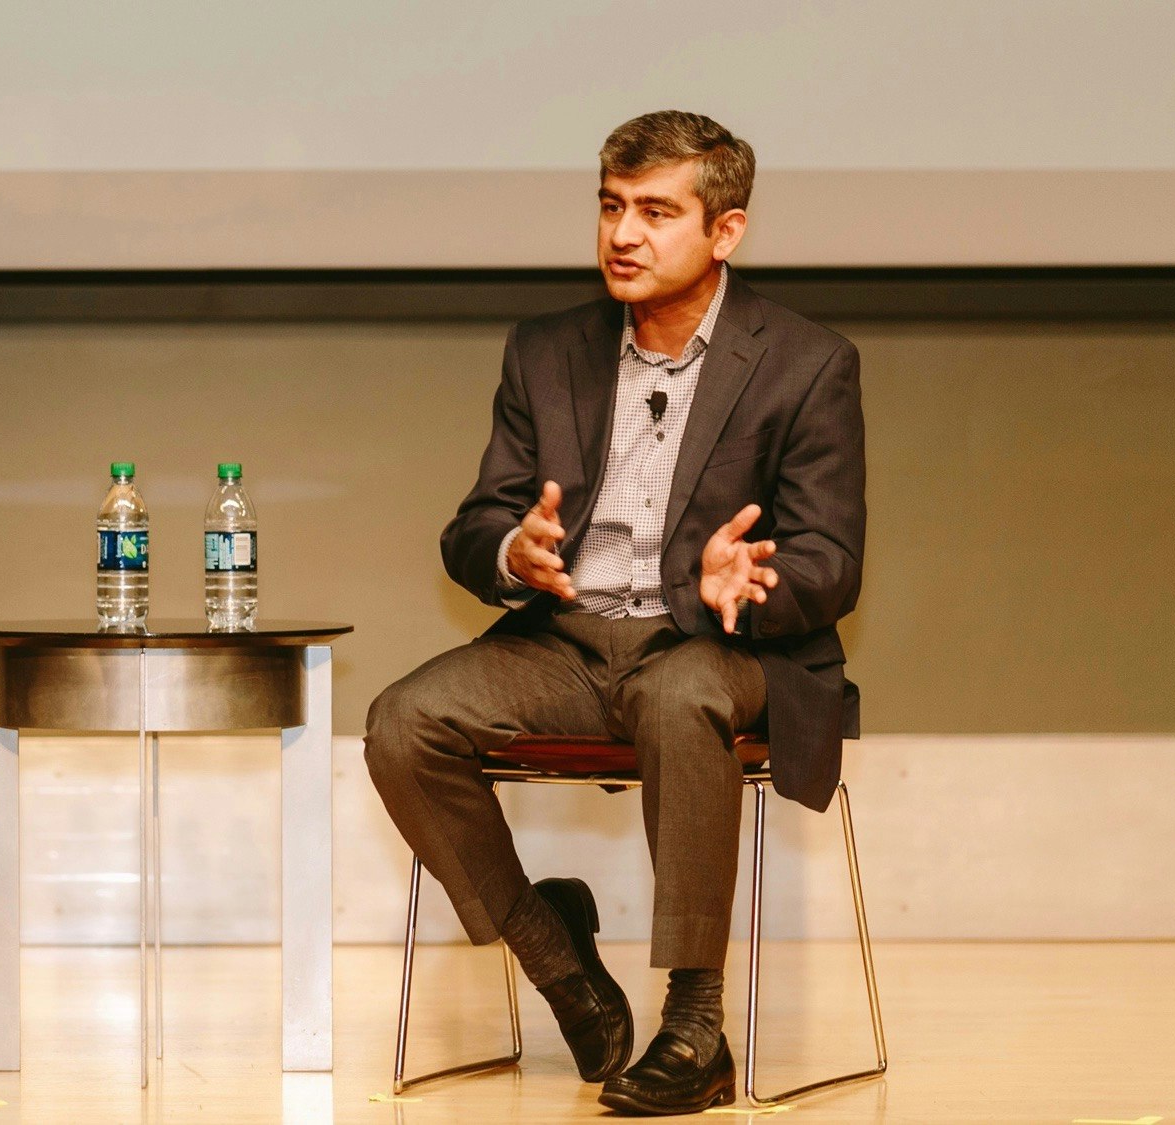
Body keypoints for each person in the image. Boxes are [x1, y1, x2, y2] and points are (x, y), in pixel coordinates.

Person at [363, 110, 865, 1116]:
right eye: (609, 207)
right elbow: (476, 523)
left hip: (711, 647)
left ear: (723, 231)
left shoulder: (805, 362)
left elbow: (830, 562)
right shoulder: (546, 349)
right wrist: (512, 551)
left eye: (654, 212)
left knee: (680, 698)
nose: (622, 235)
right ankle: (558, 963)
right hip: (566, 641)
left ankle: (694, 1024)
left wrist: (747, 579)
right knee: (402, 722)